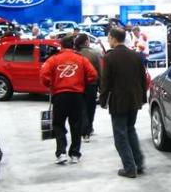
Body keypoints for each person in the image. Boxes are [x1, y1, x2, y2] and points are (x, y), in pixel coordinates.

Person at [40, 35, 98, 164]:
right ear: (73, 46)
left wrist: (50, 84)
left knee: (59, 124)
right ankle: (75, 154)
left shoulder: (53, 59)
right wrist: (83, 82)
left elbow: (44, 74)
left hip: (60, 96)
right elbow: (93, 74)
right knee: (76, 124)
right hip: (77, 96)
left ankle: (61, 153)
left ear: (61, 46)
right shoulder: (81, 59)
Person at [100, 26, 147, 178]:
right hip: (134, 100)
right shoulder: (135, 55)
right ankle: (138, 163)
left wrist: (102, 100)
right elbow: (143, 79)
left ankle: (129, 167)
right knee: (130, 129)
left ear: (114, 38)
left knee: (120, 134)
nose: (108, 40)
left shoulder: (110, 57)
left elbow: (106, 82)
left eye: (109, 37)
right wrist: (142, 98)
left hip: (119, 101)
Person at [75, 33, 102, 142]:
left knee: (82, 108)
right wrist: (101, 86)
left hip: (78, 86)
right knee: (91, 107)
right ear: (86, 42)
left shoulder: (75, 54)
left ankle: (84, 130)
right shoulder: (94, 54)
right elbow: (99, 71)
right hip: (92, 85)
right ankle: (88, 128)